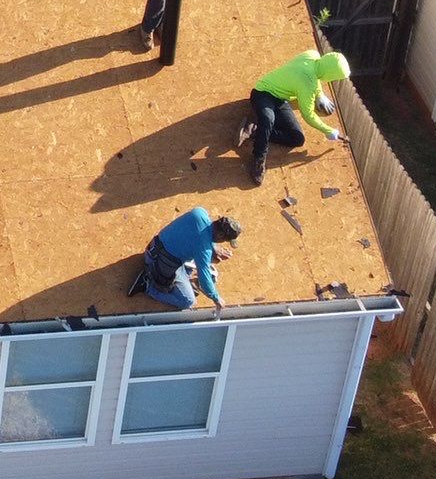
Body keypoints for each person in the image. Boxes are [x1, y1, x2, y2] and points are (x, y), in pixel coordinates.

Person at [242, 48, 349, 184]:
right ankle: (258, 158)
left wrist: (320, 94)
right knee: (269, 119)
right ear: (330, 73)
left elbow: (316, 76)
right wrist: (328, 131)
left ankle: (253, 129)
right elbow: (308, 114)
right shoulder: (307, 84)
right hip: (262, 93)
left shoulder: (313, 55)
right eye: (334, 76)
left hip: (281, 99)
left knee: (297, 139)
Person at [130, 207, 242, 311]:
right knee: (188, 301)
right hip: (159, 263)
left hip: (153, 247)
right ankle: (147, 285)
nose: (223, 242)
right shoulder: (203, 250)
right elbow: (204, 278)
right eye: (225, 240)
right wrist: (216, 298)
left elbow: (199, 234)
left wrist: (213, 247)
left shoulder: (199, 212)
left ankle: (183, 277)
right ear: (221, 236)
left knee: (200, 266)